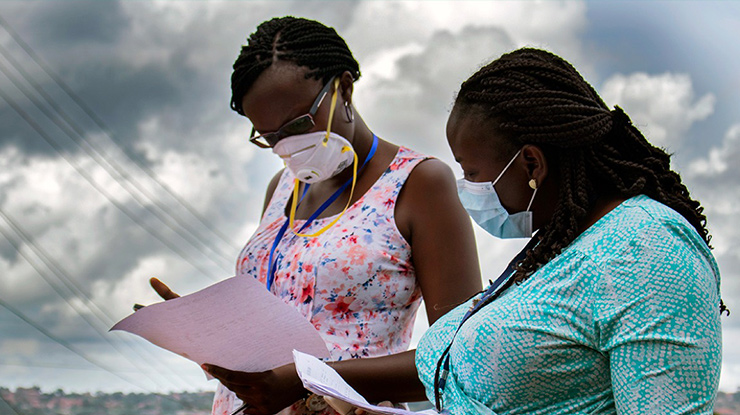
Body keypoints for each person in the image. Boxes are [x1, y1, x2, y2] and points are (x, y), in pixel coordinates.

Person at [204, 46, 723, 415]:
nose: (467, 188)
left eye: (472, 172)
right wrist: (300, 380)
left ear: (532, 163)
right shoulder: (553, 254)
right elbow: (448, 368)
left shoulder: (649, 250)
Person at [151, 16, 482, 415]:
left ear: (343, 87)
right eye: (270, 137)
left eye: (298, 124)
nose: (287, 145)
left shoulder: (420, 183)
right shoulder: (281, 188)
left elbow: (461, 357)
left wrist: (307, 379)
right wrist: (210, 334)